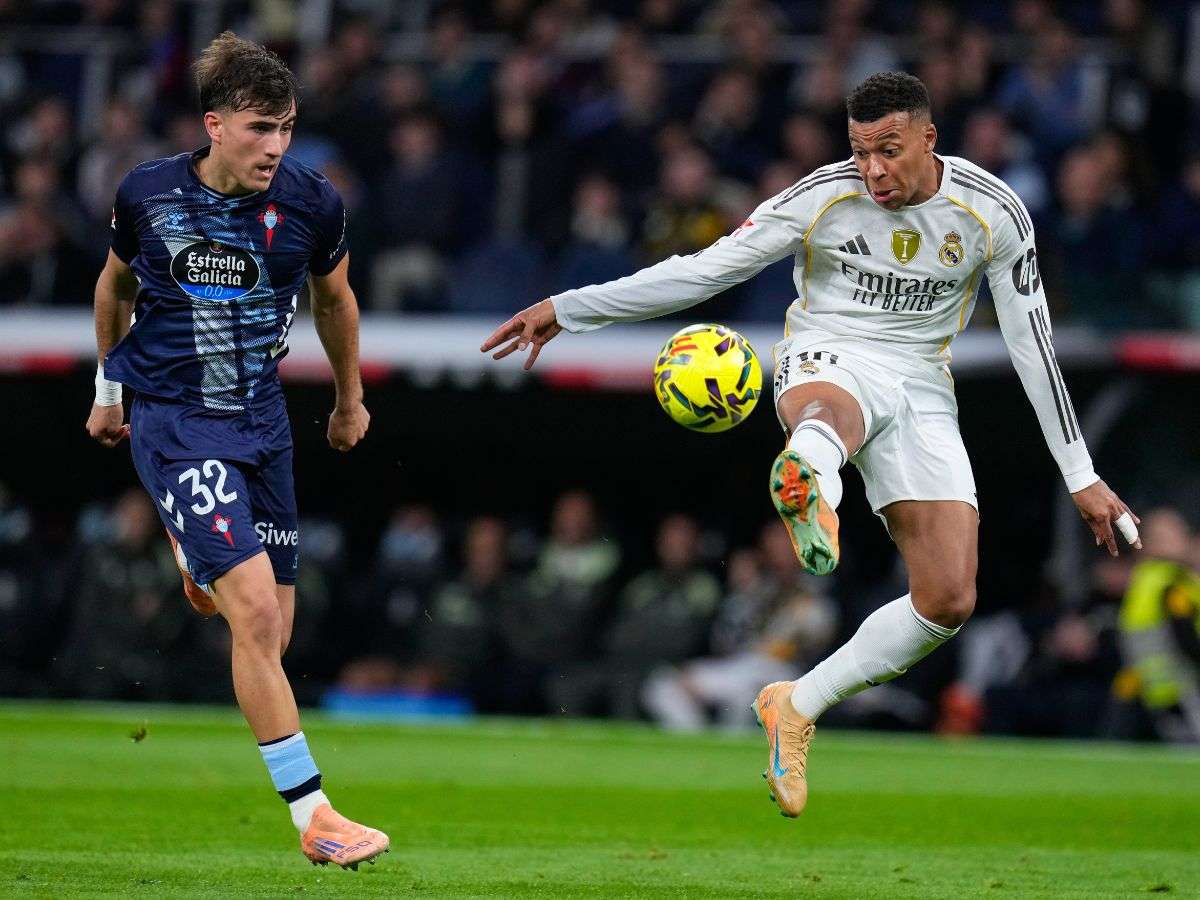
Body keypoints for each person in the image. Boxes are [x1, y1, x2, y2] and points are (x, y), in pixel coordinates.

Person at [480, 72, 1141, 818]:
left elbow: (1034, 345)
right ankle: (811, 479)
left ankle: (796, 702)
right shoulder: (820, 196)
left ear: (929, 136)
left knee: (948, 599)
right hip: (825, 351)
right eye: (861, 152)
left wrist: (1080, 472)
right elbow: (701, 272)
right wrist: (569, 309)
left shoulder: (994, 212)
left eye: (889, 150)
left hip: (923, 380)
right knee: (830, 413)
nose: (874, 171)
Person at [84, 32, 387, 867]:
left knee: (271, 632)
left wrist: (349, 397)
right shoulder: (148, 194)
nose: (276, 146)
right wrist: (109, 391)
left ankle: (198, 559)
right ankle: (316, 816)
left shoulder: (313, 204)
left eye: (286, 127)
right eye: (260, 128)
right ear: (215, 125)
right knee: (252, 614)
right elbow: (115, 286)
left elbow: (336, 300)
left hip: (261, 425)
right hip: (175, 419)